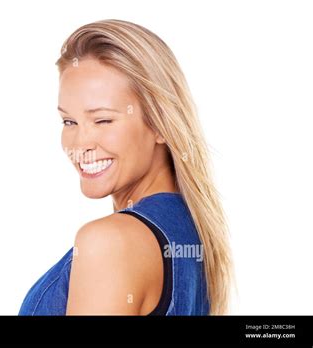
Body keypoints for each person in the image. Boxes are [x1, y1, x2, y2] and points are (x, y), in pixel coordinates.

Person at [18, 19, 233, 316]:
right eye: (69, 121)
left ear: (161, 125)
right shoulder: (190, 231)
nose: (80, 144)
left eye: (103, 120)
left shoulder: (110, 243)